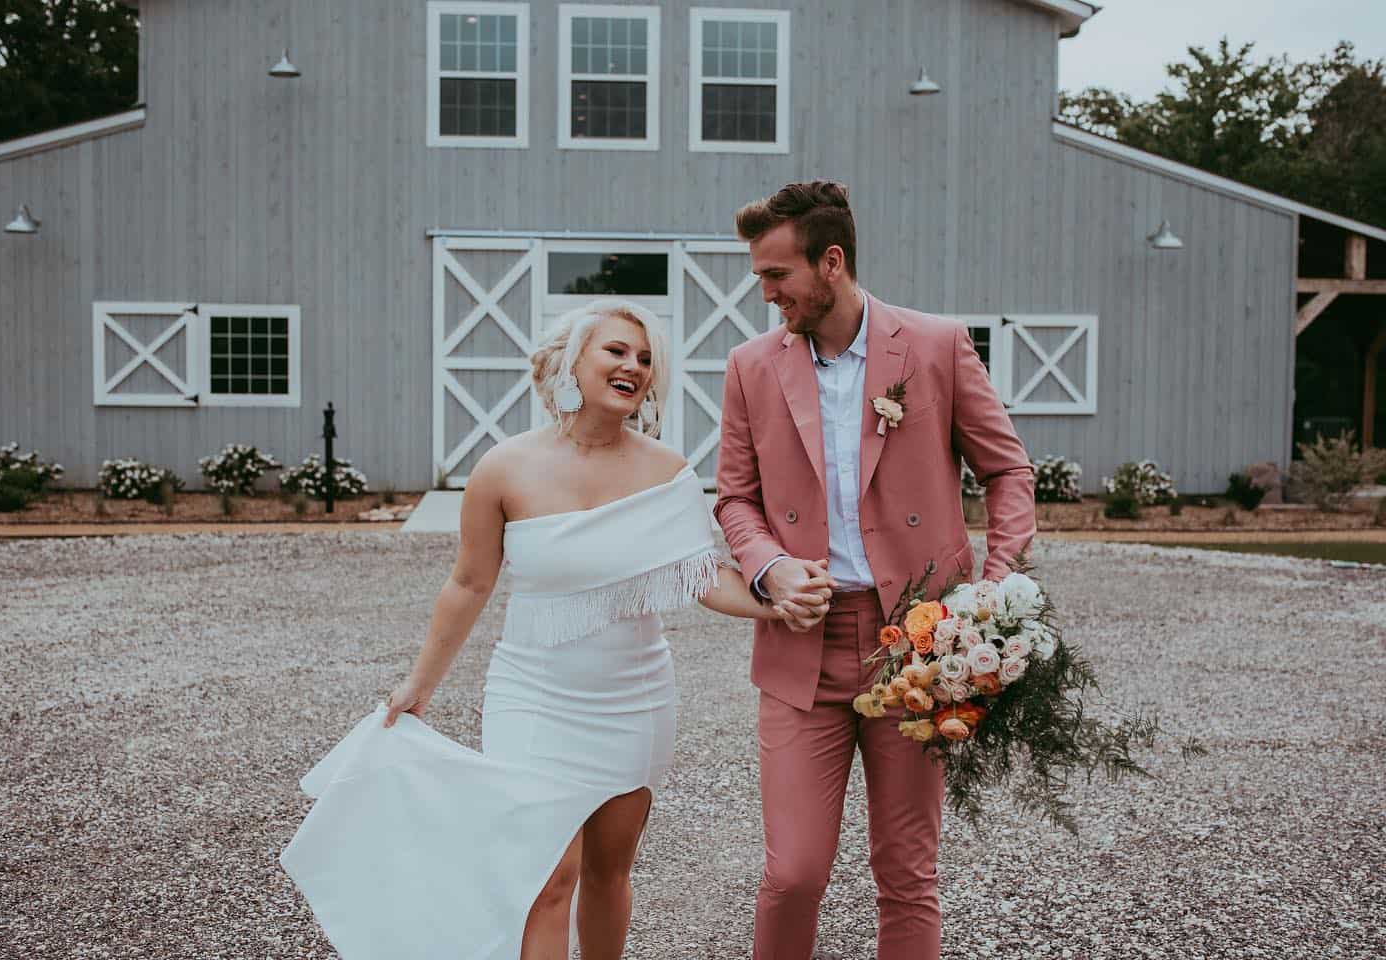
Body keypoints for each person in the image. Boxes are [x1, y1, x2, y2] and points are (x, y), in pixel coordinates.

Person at [281, 298, 830, 960]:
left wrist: (776, 600)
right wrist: (418, 684)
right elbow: (469, 584)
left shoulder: (668, 473)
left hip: (636, 698)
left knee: (608, 871)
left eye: (646, 358)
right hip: (533, 694)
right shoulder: (503, 468)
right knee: (547, 878)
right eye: (617, 351)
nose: (634, 366)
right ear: (574, 361)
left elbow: (704, 578)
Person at [714, 181, 1036, 960]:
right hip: (803, 648)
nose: (765, 295)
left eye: (776, 276)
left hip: (918, 647)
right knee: (792, 873)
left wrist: (993, 589)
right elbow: (734, 498)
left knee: (906, 871)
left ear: (832, 262)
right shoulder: (750, 366)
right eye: (759, 277)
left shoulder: (934, 344)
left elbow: (1009, 473)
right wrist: (768, 570)